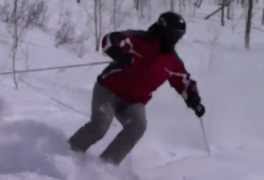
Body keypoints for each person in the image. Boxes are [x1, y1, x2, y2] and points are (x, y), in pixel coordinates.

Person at [68, 11, 206, 166]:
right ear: (164, 30)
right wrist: (118, 53)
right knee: (101, 125)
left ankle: (105, 166)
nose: (176, 40)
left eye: (179, 36)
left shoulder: (172, 61)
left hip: (133, 102)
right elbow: (110, 40)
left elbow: (184, 82)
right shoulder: (139, 39)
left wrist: (194, 100)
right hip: (108, 90)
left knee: (138, 126)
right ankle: (70, 151)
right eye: (174, 35)